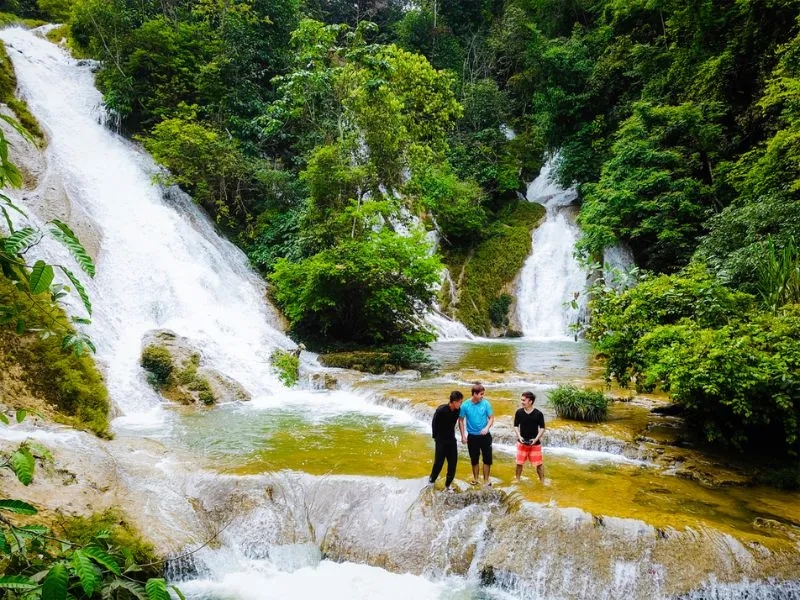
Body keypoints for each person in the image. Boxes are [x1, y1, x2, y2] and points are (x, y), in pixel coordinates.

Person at [428, 391, 465, 492]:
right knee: (438, 463)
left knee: (453, 464)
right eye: (460, 402)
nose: (461, 404)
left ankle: (448, 485)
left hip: (451, 441)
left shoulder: (458, 410)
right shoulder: (441, 410)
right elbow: (434, 423)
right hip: (441, 441)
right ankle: (431, 481)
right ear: (453, 402)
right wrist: (436, 438)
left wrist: (463, 436)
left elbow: (460, 421)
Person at [459, 382, 494, 486]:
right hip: (472, 437)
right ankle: (476, 479)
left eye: (483, 394)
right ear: (474, 394)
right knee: (474, 459)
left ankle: (486, 480)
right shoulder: (465, 405)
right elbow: (460, 420)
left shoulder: (486, 403)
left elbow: (491, 418)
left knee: (487, 459)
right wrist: (463, 435)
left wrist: (487, 428)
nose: (482, 396)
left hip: (485, 436)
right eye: (481, 394)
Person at [514, 391, 545, 483]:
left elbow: (542, 428)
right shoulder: (519, 412)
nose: (522, 402)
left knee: (539, 464)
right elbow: (515, 426)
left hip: (535, 443)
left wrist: (536, 439)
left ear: (530, 401)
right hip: (522, 442)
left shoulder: (538, 414)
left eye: (523, 400)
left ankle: (542, 482)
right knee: (519, 463)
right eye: (521, 400)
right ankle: (517, 480)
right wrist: (519, 436)